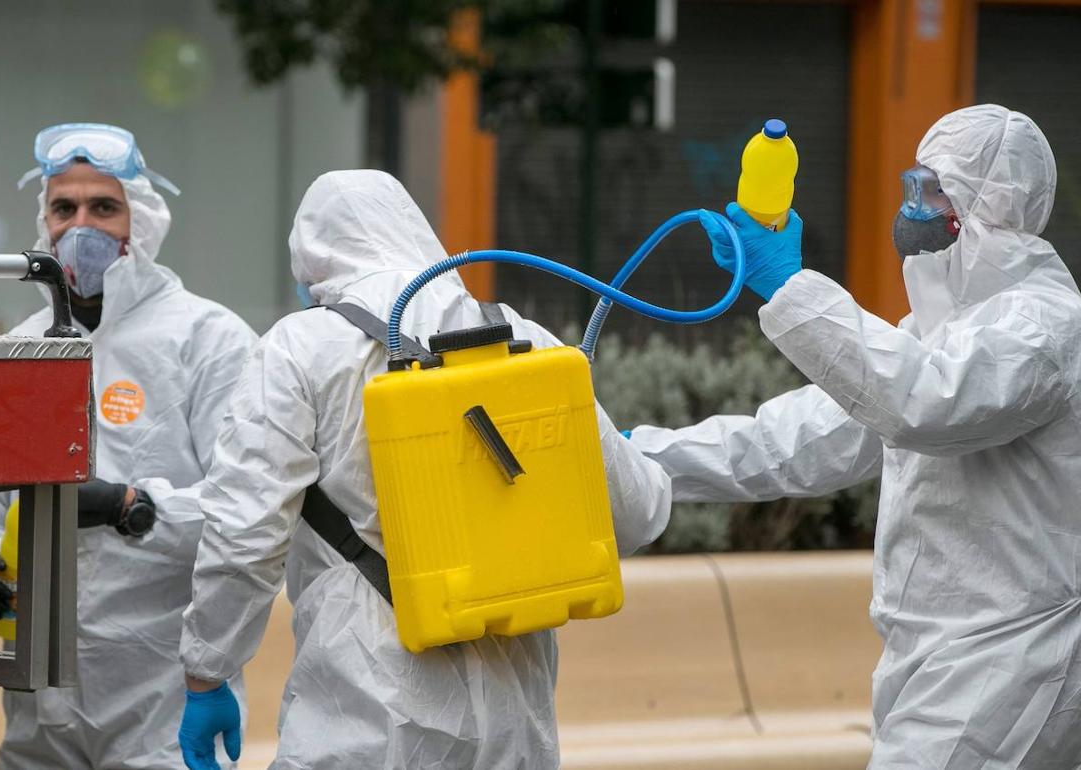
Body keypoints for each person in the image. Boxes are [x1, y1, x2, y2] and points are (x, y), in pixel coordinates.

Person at [174, 170, 673, 770]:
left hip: (368, 711)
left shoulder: (296, 350)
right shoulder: (524, 338)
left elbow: (242, 538)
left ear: (313, 258)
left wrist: (208, 672)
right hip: (517, 725)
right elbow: (640, 513)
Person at [631, 104, 1081, 766]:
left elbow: (920, 401)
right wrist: (635, 453)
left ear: (979, 208)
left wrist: (789, 284)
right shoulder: (942, 331)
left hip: (1010, 660)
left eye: (931, 189)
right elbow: (801, 439)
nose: (911, 205)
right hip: (937, 658)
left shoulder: (1041, 329)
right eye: (913, 184)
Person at [0, 122, 257, 769]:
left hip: (161, 694)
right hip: (37, 702)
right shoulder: (17, 351)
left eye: (104, 207)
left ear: (144, 222)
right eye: (64, 208)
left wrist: (132, 505)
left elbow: (247, 508)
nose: (81, 226)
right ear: (43, 222)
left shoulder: (209, 340)